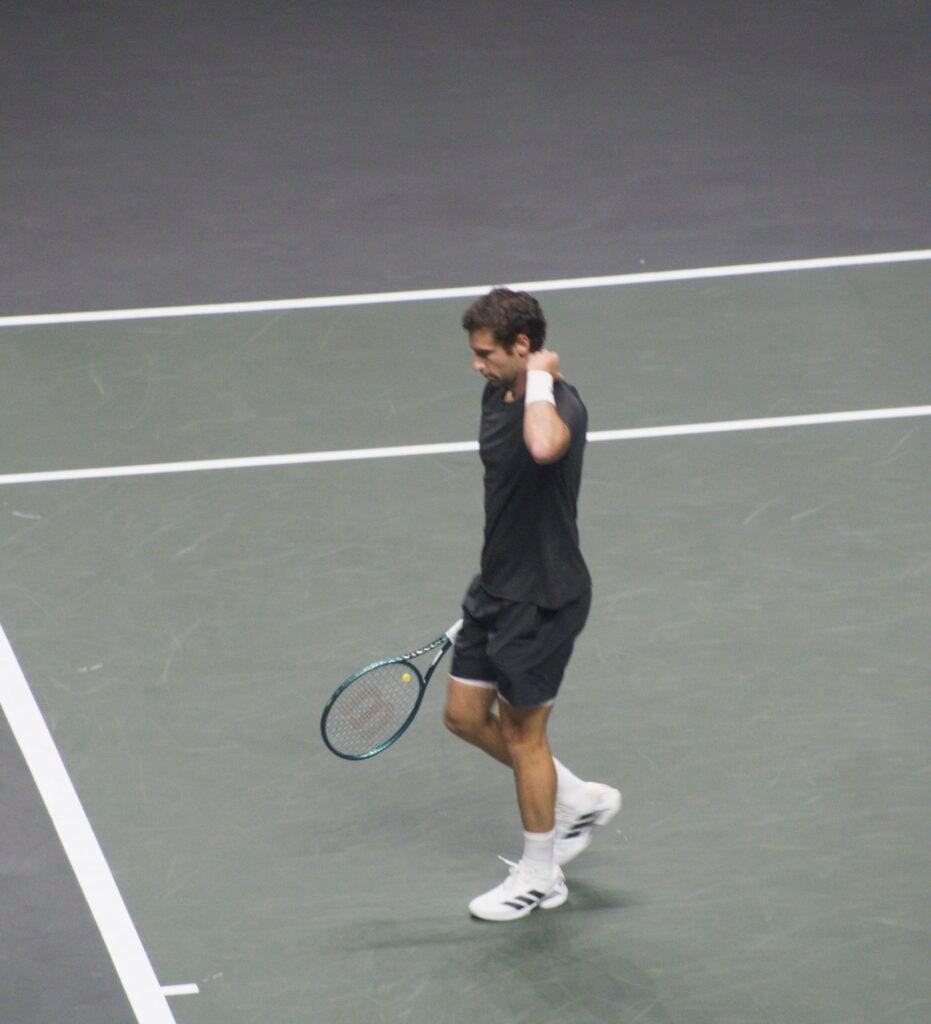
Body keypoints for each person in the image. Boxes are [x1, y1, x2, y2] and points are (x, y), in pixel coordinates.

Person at [444, 287, 621, 922]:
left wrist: (543, 380)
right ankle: (578, 798)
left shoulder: (559, 404)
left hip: (544, 599)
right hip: (496, 588)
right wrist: (491, 585)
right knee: (464, 716)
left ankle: (542, 876)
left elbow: (544, 448)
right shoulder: (497, 391)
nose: (476, 364)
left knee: (524, 736)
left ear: (524, 347)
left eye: (486, 353)